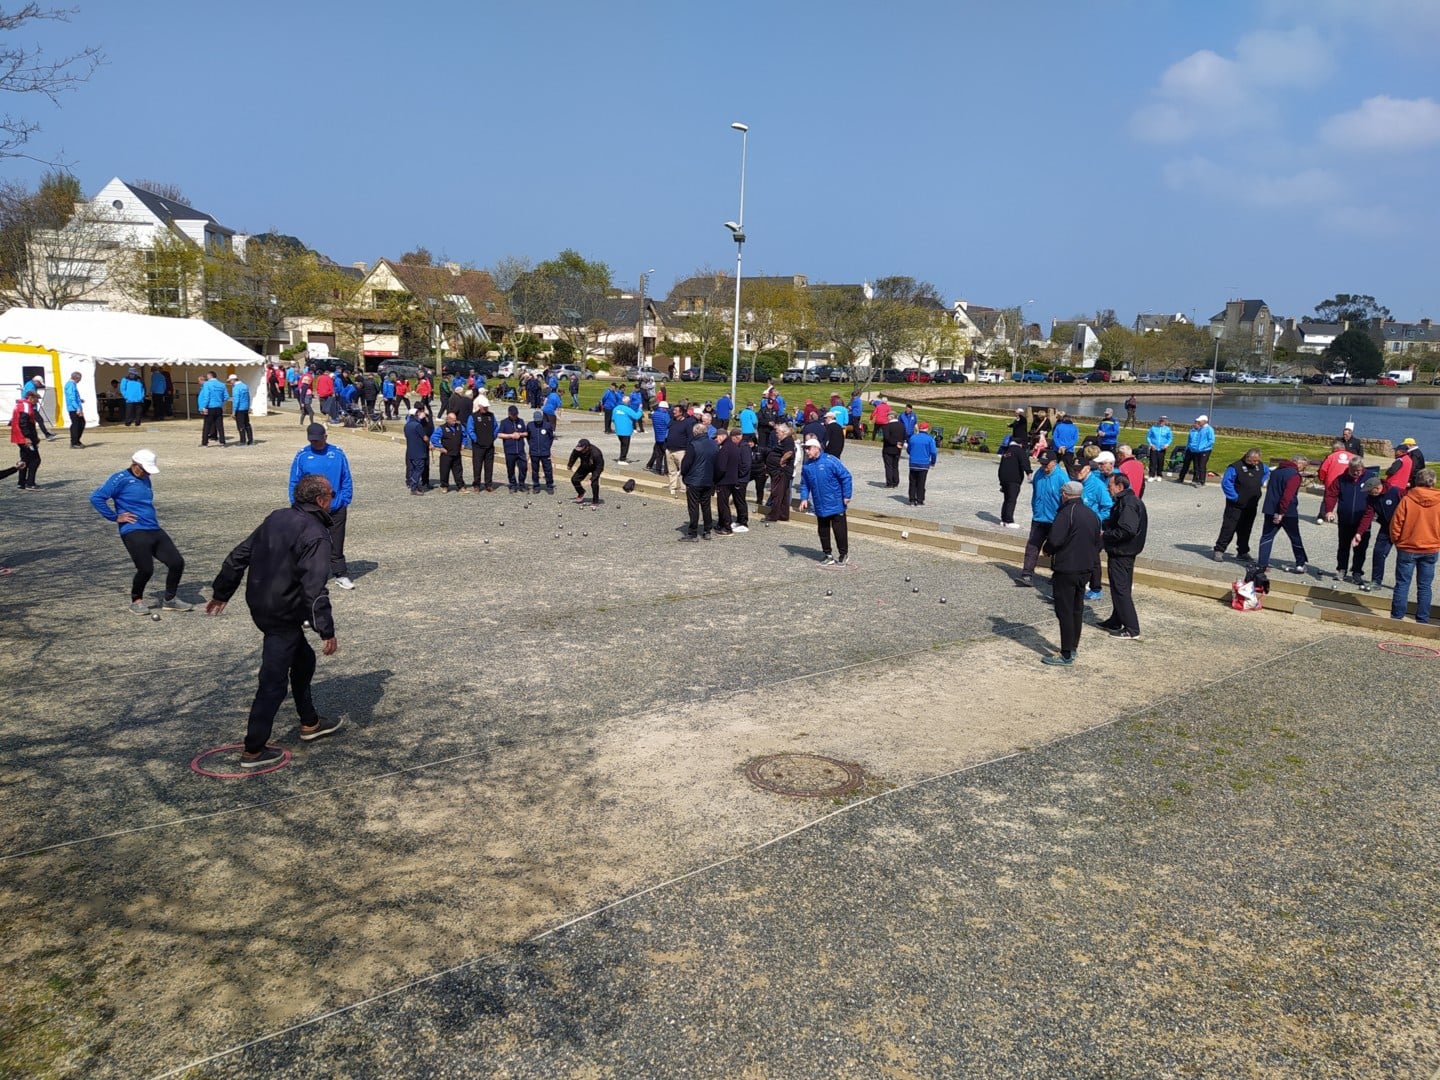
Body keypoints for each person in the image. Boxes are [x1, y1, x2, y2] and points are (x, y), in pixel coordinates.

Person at [206, 473, 344, 768]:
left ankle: (310, 723)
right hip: (282, 614)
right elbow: (314, 588)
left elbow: (237, 556)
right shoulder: (316, 534)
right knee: (273, 681)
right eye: (331, 495)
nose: (333, 499)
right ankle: (253, 750)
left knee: (304, 660)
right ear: (321, 500)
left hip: (262, 605)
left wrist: (222, 592)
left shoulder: (277, 517)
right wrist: (326, 631)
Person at [89, 449, 193, 614]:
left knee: (177, 562)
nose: (147, 474)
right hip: (133, 530)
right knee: (146, 569)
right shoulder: (120, 479)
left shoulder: (145, 479)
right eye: (145, 470)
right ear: (134, 464)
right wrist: (114, 517)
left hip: (153, 527)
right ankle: (136, 601)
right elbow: (96, 497)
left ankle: (170, 599)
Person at [1040, 481, 1102, 665]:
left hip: (1067, 567)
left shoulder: (1067, 513)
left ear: (1065, 494)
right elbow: (1097, 541)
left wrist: (1047, 549)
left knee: (1064, 610)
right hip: (1085, 567)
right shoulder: (1092, 515)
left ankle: (1066, 653)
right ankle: (1073, 646)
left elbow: (1055, 539)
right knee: (1077, 608)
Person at [289, 423, 355, 589]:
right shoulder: (302, 456)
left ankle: (340, 573)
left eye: (318, 440)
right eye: (312, 441)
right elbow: (294, 481)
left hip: (336, 506)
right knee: (312, 542)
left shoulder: (337, 454)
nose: (315, 443)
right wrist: (295, 503)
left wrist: (345, 499)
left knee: (337, 541)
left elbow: (346, 477)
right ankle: (311, 574)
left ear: (325, 437)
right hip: (311, 508)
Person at [1097, 472, 1147, 640]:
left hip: (1122, 552)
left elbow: (1127, 529)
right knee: (1120, 588)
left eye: (1110, 486)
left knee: (1121, 589)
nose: (1107, 489)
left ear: (1119, 486)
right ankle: (1116, 620)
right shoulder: (1125, 501)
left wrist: (1106, 535)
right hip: (1123, 551)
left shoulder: (1128, 504)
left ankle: (1132, 628)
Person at [1389, 468, 1440, 624]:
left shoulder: (1407, 499)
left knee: (1403, 584)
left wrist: (1397, 540)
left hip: (1408, 546)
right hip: (1431, 546)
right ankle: (1422, 619)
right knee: (1425, 586)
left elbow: (1396, 523)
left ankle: (1397, 617)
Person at [798, 434, 854, 566]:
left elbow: (846, 477)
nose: (806, 451)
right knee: (822, 530)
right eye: (805, 449)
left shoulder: (830, 460)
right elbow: (804, 484)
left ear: (817, 448)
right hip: (820, 504)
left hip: (836, 502)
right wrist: (804, 498)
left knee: (839, 530)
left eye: (808, 448)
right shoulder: (807, 466)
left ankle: (843, 553)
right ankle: (827, 554)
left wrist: (847, 495)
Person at [1018, 451, 1067, 586]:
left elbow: (1066, 500)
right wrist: (1035, 509)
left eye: (1046, 464)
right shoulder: (1039, 474)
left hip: (1055, 519)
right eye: (1042, 463)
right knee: (1032, 545)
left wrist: (1063, 518)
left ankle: (1056, 575)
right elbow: (1035, 494)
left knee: (1056, 548)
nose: (1044, 466)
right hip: (1039, 517)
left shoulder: (1062, 478)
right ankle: (1027, 573)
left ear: (1054, 462)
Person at [1256, 455, 1310, 575]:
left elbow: (1271, 489)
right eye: (1303, 467)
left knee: (1267, 537)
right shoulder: (1294, 475)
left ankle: (1262, 564)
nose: (1303, 470)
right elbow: (1288, 495)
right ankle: (1300, 564)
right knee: (1295, 537)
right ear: (1298, 464)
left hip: (1270, 509)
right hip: (1287, 512)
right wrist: (1281, 512)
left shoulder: (1275, 472)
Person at [1213, 448, 1268, 563]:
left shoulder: (1261, 466)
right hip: (1236, 505)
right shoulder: (1235, 467)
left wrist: (1260, 483)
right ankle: (1219, 550)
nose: (1255, 463)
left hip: (1251, 504)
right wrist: (1235, 497)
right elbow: (1226, 483)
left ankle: (1242, 551)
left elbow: (1266, 473)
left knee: (1246, 529)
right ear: (1247, 457)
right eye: (1253, 461)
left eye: (1257, 461)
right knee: (1229, 528)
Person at [1357, 475, 1403, 591]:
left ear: (1378, 488)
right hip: (1386, 528)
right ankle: (1376, 581)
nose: (1369, 493)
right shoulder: (1371, 498)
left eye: (1370, 491)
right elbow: (1368, 515)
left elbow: (1409, 507)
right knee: (1378, 552)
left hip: (1402, 529)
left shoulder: (1396, 492)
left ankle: (1401, 585)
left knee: (1403, 557)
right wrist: (1359, 533)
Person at [1080, 450, 1115, 600]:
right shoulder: (1095, 477)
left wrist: (1095, 520)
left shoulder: (1113, 478)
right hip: (1081, 526)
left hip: (1097, 527)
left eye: (1101, 464)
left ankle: (1096, 588)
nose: (1099, 466)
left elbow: (1108, 506)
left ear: (1111, 463)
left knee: (1093, 557)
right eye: (1098, 464)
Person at [679, 422, 719, 541]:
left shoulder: (693, 444)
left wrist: (684, 475)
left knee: (693, 506)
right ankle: (707, 530)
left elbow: (686, 464)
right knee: (706, 506)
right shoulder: (714, 444)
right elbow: (717, 463)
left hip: (694, 480)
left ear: (695, 432)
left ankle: (693, 533)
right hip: (708, 480)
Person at [430, 411, 471, 492]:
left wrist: (463, 444)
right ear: (447, 419)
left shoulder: (459, 426)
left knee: (458, 471)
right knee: (444, 471)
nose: (454, 422)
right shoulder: (441, 428)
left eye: (455, 420)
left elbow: (465, 436)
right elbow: (434, 438)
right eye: (453, 420)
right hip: (446, 453)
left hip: (456, 452)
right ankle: (444, 486)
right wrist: (440, 447)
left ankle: (460, 486)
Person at [765, 422, 797, 522]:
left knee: (777, 493)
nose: (776, 434)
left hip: (781, 472)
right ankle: (783, 515)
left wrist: (782, 460)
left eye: (778, 432)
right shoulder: (783, 441)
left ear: (783, 432)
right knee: (783, 494)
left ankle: (773, 515)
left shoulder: (788, 440)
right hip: (778, 471)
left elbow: (789, 452)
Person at [997, 435, 1030, 527]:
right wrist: (1028, 472)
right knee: (1012, 500)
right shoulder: (1019, 450)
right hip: (1014, 479)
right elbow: (1025, 461)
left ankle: (1003, 519)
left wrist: (1001, 480)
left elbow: (1001, 467)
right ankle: (1009, 521)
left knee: (1006, 499)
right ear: (1020, 444)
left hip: (1004, 479)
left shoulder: (1006, 451)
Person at [10, 389, 40, 489]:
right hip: (24, 438)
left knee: (25, 459)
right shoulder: (26, 406)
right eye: (36, 399)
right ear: (30, 398)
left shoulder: (20, 405)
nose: (37, 401)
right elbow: (24, 423)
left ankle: (21, 482)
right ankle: (30, 483)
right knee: (35, 459)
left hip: (18, 437)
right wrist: (27, 437)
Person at [468, 395, 498, 492]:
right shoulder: (473, 416)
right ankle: (476, 484)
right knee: (477, 466)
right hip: (478, 446)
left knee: (489, 466)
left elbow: (496, 427)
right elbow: (470, 429)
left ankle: (488, 484)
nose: (486, 408)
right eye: (484, 407)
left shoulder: (491, 415)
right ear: (480, 406)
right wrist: (475, 439)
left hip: (489, 445)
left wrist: (493, 437)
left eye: (487, 407)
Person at [1175, 414, 1215, 486]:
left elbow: (1211, 440)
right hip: (1196, 450)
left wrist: (1203, 447)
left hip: (1205, 450)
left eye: (1200, 421)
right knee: (1194, 465)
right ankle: (1183, 478)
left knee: (1201, 465)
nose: (1198, 422)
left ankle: (1201, 481)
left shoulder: (1209, 429)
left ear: (1204, 421)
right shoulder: (1200, 429)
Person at [906, 420, 938, 507]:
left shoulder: (913, 437)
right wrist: (933, 462)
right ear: (927, 429)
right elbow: (933, 452)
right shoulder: (930, 439)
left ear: (919, 429)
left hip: (913, 463)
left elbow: (908, 450)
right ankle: (920, 500)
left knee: (912, 482)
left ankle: (912, 500)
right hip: (923, 463)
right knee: (921, 482)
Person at [498, 404, 529, 492]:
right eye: (513, 415)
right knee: (510, 468)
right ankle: (512, 484)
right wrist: (511, 435)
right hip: (509, 449)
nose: (515, 416)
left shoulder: (521, 421)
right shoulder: (504, 422)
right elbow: (499, 435)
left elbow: (526, 433)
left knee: (523, 467)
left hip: (520, 449)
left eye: (516, 414)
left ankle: (521, 483)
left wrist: (520, 434)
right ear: (509, 414)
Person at [526, 409, 556, 493]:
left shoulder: (547, 425)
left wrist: (547, 447)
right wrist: (531, 446)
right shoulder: (530, 425)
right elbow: (528, 437)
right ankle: (536, 485)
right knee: (535, 470)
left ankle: (549, 485)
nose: (538, 422)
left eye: (539, 420)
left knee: (548, 469)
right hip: (534, 452)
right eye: (537, 420)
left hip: (545, 452)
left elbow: (551, 437)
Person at [568, 438, 605, 504]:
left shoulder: (596, 453)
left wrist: (591, 479)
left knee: (594, 484)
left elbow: (599, 468)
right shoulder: (578, 449)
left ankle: (595, 501)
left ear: (587, 447)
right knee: (574, 479)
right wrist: (570, 465)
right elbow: (573, 456)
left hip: (595, 468)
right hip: (584, 466)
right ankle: (581, 492)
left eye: (582, 450)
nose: (580, 451)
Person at [197, 370, 229, 446]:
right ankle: (222, 441)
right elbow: (226, 396)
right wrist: (219, 401)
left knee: (207, 425)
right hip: (218, 407)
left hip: (210, 407)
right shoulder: (222, 384)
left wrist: (203, 407)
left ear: (209, 376)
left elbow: (206, 396)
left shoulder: (207, 384)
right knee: (220, 425)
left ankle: (204, 442)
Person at [403, 407, 430, 495]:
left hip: (410, 450)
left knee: (413, 469)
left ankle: (414, 485)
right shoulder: (417, 425)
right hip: (419, 450)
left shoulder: (406, 425)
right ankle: (414, 487)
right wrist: (429, 443)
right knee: (419, 469)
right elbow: (424, 437)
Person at [880, 407, 907, 488]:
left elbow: (887, 438)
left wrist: (895, 443)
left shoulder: (887, 426)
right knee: (895, 465)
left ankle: (890, 482)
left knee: (888, 466)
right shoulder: (902, 426)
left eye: (888, 416)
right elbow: (904, 436)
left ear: (891, 417)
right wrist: (900, 443)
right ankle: (896, 481)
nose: (887, 417)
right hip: (898, 449)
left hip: (888, 448)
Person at [612, 395, 642, 463]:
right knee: (625, 445)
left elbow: (613, 419)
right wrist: (640, 409)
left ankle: (622, 456)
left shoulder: (616, 408)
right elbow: (636, 416)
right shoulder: (628, 409)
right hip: (626, 431)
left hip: (618, 430)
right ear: (628, 402)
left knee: (622, 444)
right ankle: (622, 459)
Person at [646, 398, 670, 474]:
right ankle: (666, 471)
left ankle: (658, 470)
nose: (667, 410)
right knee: (666, 456)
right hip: (665, 437)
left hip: (658, 437)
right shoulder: (665, 415)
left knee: (659, 455)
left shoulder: (654, 414)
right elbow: (669, 424)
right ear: (663, 408)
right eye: (666, 408)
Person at [1145, 415, 1172, 480]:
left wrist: (1167, 445)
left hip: (1162, 448)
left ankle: (1159, 475)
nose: (1161, 422)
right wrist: (1151, 444)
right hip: (1154, 447)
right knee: (1152, 462)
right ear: (1159, 420)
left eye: (1163, 421)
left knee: (1160, 462)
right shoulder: (1153, 428)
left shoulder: (1167, 429)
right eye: (1161, 420)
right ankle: (1151, 475)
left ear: (1165, 421)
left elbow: (1170, 438)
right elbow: (1148, 437)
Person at [229, 375, 254, 446]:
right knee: (247, 424)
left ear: (233, 380)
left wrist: (234, 411)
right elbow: (248, 397)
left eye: (230, 381)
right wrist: (248, 406)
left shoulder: (236, 388)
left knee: (240, 425)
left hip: (239, 409)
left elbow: (236, 400)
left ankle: (243, 441)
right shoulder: (245, 386)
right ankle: (250, 440)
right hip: (245, 408)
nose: (230, 383)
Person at [64, 371, 86, 449]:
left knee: (79, 424)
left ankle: (76, 440)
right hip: (74, 408)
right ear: (76, 378)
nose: (80, 380)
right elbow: (71, 398)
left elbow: (73, 397)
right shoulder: (71, 385)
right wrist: (78, 409)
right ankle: (74, 442)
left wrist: (79, 400)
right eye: (79, 379)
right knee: (77, 424)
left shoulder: (71, 384)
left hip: (74, 407)